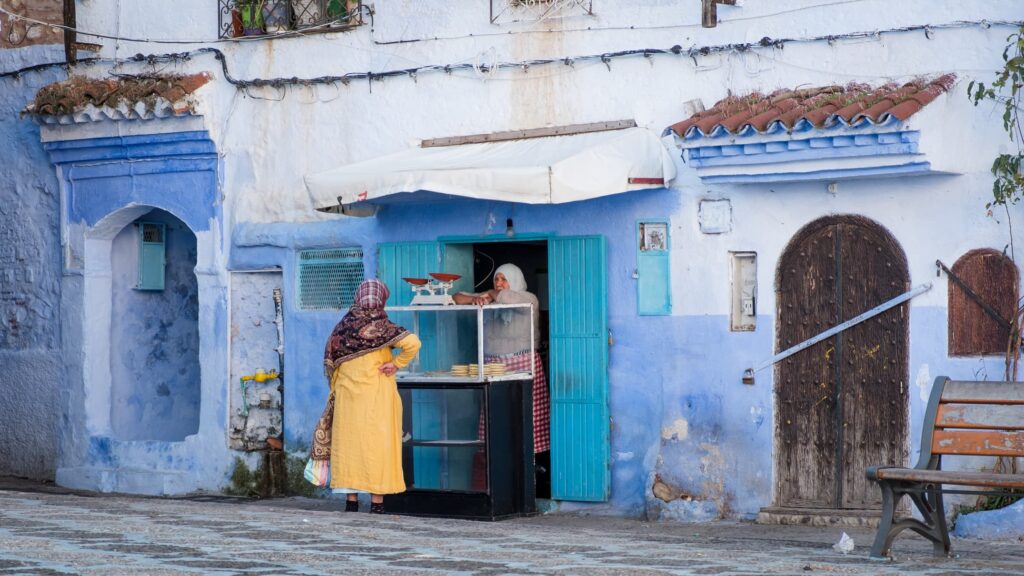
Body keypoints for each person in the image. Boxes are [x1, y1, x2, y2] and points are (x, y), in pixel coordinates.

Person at [323, 278, 421, 513]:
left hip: (348, 398)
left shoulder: (343, 326)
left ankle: (351, 502)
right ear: (381, 299)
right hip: (377, 396)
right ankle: (377, 504)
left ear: (358, 298)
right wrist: (396, 363)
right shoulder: (384, 327)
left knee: (349, 446)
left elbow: (330, 361)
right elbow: (413, 343)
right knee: (377, 446)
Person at [453, 263, 550, 493]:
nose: (499, 284)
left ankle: (530, 481)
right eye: (497, 279)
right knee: (495, 416)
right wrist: (477, 299)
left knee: (527, 416)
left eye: (504, 279)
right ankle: (500, 479)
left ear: (515, 281)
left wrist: (491, 294)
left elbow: (505, 297)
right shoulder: (492, 297)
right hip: (494, 365)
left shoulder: (528, 298)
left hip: (523, 364)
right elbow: (457, 297)